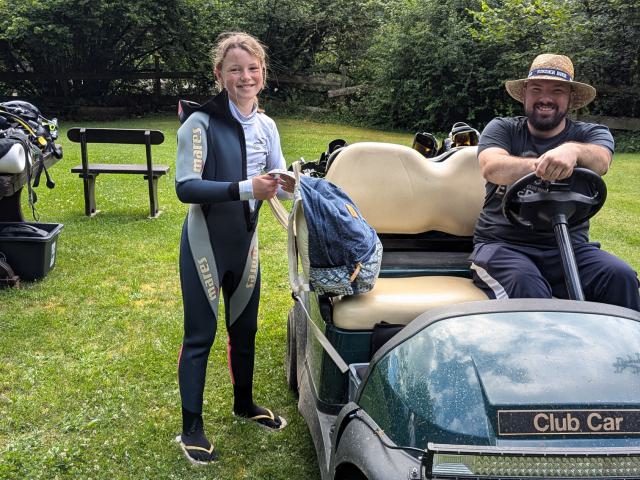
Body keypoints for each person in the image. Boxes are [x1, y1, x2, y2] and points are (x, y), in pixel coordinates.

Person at [174, 32, 293, 465]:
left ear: (263, 73)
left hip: (246, 245)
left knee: (245, 331)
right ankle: (191, 428)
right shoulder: (199, 122)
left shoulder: (267, 126)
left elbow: (277, 182)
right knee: (200, 336)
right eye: (235, 70)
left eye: (252, 69)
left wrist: (297, 186)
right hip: (205, 243)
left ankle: (244, 404)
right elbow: (186, 187)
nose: (245, 77)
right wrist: (247, 188)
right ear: (219, 74)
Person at [471, 53, 640, 311]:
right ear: (525, 94)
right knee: (526, 285)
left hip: (571, 247)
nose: (545, 98)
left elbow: (601, 162)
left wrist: (572, 151)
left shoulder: (592, 134)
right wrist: (544, 166)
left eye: (557, 91)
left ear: (570, 98)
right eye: (536, 89)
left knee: (620, 276)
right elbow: (492, 167)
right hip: (503, 246)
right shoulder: (502, 128)